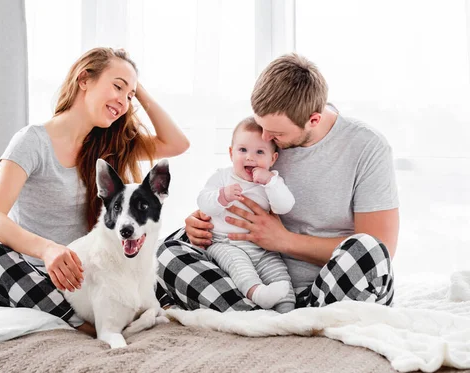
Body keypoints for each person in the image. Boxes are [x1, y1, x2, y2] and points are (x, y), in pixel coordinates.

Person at [0, 47, 189, 335]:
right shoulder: (31, 142)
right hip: (46, 277)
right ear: (84, 79)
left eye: (130, 96)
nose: (123, 102)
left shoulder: (114, 145)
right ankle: (81, 324)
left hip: (99, 274)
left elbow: (177, 144)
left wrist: (135, 87)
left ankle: (136, 310)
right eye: (117, 86)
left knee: (176, 243)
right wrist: (48, 250)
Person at [157, 53, 398, 312]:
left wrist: (282, 240)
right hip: (251, 280)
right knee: (168, 252)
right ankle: (263, 317)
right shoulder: (265, 135)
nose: (264, 137)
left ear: (313, 120)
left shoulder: (366, 147)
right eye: (261, 125)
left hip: (328, 287)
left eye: (277, 134)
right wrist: (199, 225)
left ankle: (273, 319)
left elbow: (381, 248)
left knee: (368, 250)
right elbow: (228, 193)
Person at [197, 116, 295, 312]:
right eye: (243, 150)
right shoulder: (223, 176)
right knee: (239, 267)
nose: (250, 157)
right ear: (231, 153)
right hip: (225, 242)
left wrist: (270, 182)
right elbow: (203, 203)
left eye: (260, 152)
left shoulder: (273, 181)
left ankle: (287, 309)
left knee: (278, 271)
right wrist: (222, 196)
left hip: (262, 246)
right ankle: (257, 294)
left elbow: (285, 206)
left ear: (273, 159)